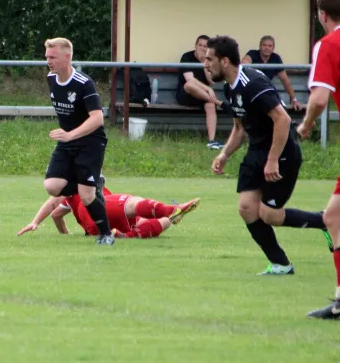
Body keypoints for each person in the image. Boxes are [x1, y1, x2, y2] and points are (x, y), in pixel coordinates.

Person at [204, 35, 332, 276]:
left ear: (224, 61)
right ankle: (281, 264)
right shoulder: (229, 88)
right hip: (257, 150)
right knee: (246, 208)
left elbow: (282, 119)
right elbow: (239, 128)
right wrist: (224, 155)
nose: (205, 64)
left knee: (269, 214)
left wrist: (273, 159)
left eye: (209, 59)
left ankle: (323, 220)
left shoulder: (251, 83)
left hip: (282, 151)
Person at [297, 0, 340, 320]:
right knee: (334, 216)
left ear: (322, 15)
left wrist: (307, 123)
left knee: (335, 217)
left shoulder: (328, 44)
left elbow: (319, 98)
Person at [43, 37, 113, 245]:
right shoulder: (51, 79)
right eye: (47, 56)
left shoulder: (84, 83)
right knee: (52, 186)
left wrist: (70, 135)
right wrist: (67, 136)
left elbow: (98, 118)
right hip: (68, 140)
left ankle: (106, 234)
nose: (48, 61)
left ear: (67, 57)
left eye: (52, 57)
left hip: (91, 141)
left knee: (86, 196)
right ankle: (92, 181)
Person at [17, 184, 200, 238]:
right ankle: (172, 209)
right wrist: (35, 221)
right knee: (131, 202)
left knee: (160, 221)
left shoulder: (72, 196)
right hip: (99, 209)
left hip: (95, 226)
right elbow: (53, 204)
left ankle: (126, 236)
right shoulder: (79, 181)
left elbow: (55, 213)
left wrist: (65, 234)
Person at [176, 35, 224, 150]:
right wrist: (208, 89)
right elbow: (190, 80)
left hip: (203, 97)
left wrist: (204, 63)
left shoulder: (210, 60)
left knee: (210, 105)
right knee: (189, 85)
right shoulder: (187, 57)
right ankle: (218, 102)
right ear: (195, 46)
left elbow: (211, 81)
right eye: (200, 45)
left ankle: (211, 141)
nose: (202, 48)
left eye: (205, 46)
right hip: (186, 95)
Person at [242, 36, 302, 111]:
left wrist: (294, 100)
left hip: (266, 90)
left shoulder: (276, 58)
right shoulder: (253, 53)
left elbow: (285, 81)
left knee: (280, 108)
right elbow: (245, 62)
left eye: (269, 46)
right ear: (260, 46)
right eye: (264, 45)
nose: (267, 48)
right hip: (252, 90)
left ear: (273, 48)